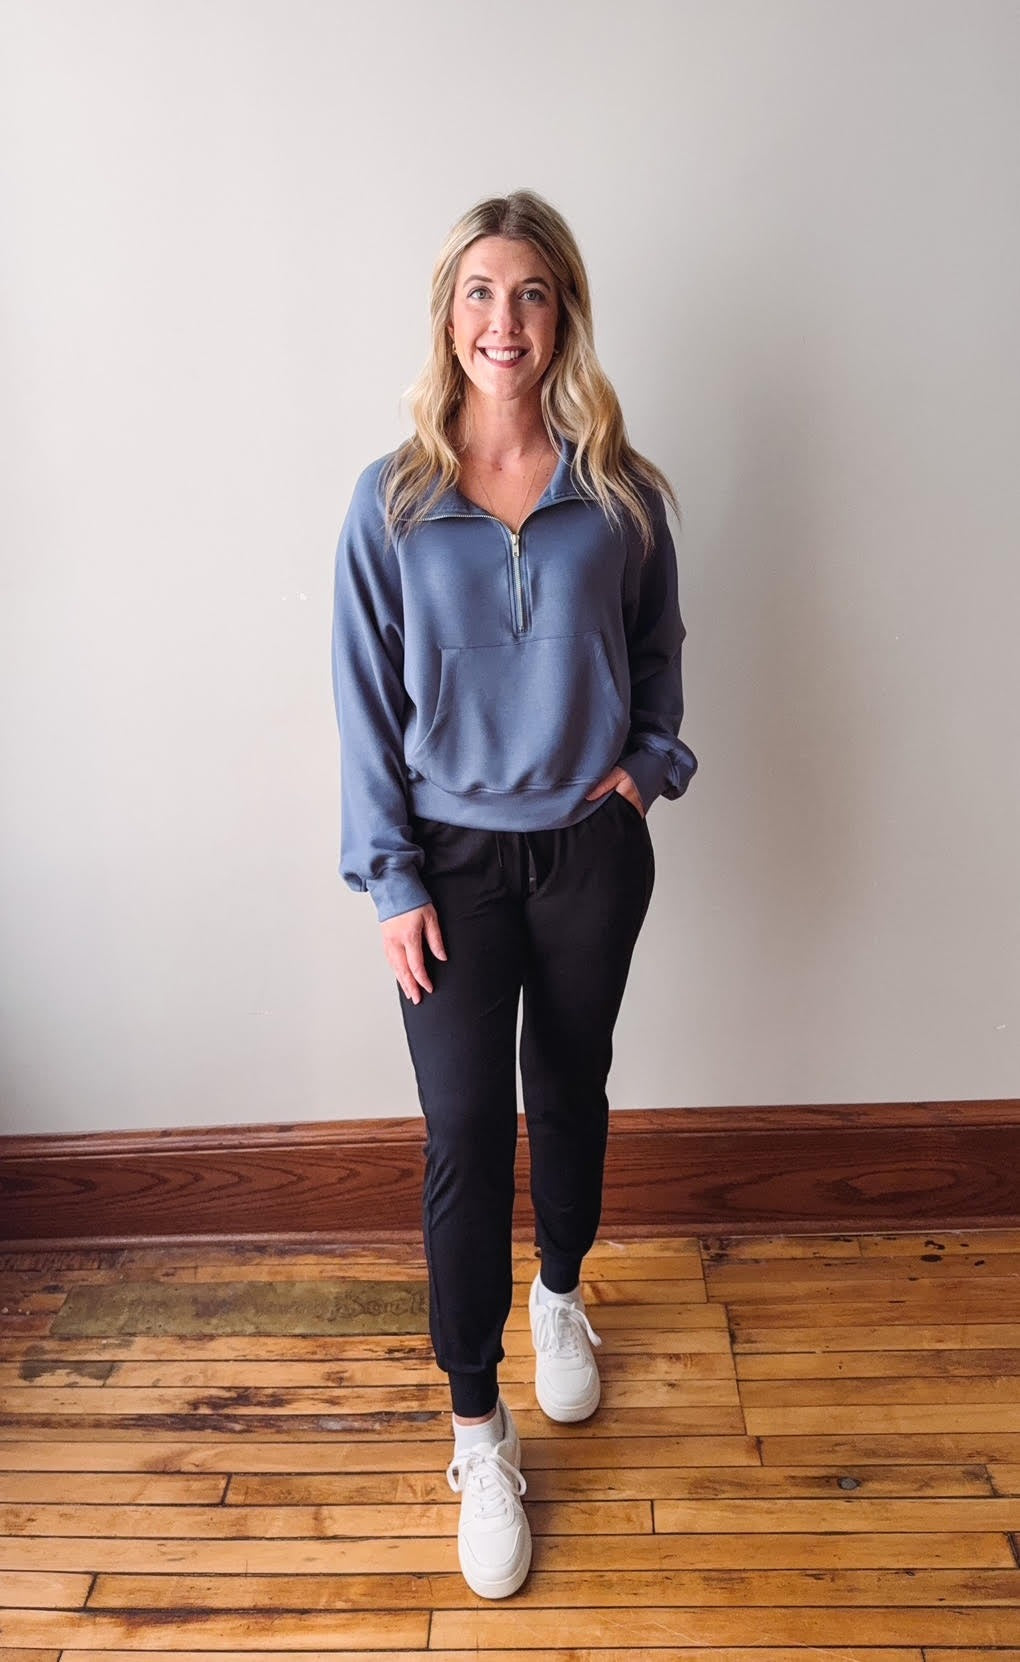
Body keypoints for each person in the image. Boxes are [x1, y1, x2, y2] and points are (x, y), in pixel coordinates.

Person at [331, 189, 696, 1600]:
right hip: (447, 869)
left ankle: (560, 1296)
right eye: (481, 293)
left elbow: (661, 658)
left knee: (575, 1089)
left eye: (532, 294)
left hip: (590, 853)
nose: (505, 321)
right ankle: (477, 1428)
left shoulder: (622, 492)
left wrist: (646, 770)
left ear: (564, 317)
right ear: (448, 315)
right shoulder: (393, 499)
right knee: (466, 1130)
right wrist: (389, 879)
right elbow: (364, 706)